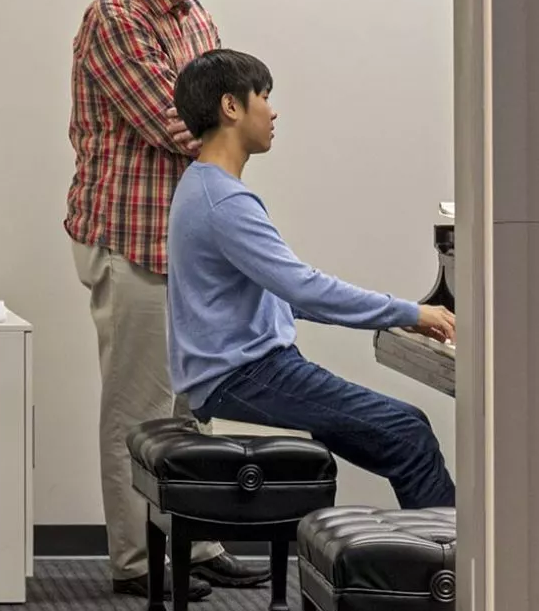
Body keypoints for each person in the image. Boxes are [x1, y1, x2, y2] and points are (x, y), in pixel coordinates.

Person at [66, 0, 260, 599]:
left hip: (185, 250)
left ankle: (195, 541)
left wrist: (229, 127)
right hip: (133, 242)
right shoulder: (116, 20)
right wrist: (236, 128)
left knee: (191, 407)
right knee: (138, 410)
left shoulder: (194, 18)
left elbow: (219, 119)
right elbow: (179, 127)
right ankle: (139, 562)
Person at [166, 48, 457, 508]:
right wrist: (408, 312)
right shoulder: (224, 202)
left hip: (243, 374)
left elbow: (284, 295)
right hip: (244, 378)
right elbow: (304, 288)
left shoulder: (201, 186)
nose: (273, 109)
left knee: (406, 430)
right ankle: (458, 573)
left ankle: (441, 567)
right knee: (408, 432)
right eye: (264, 95)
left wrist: (398, 315)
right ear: (231, 106)